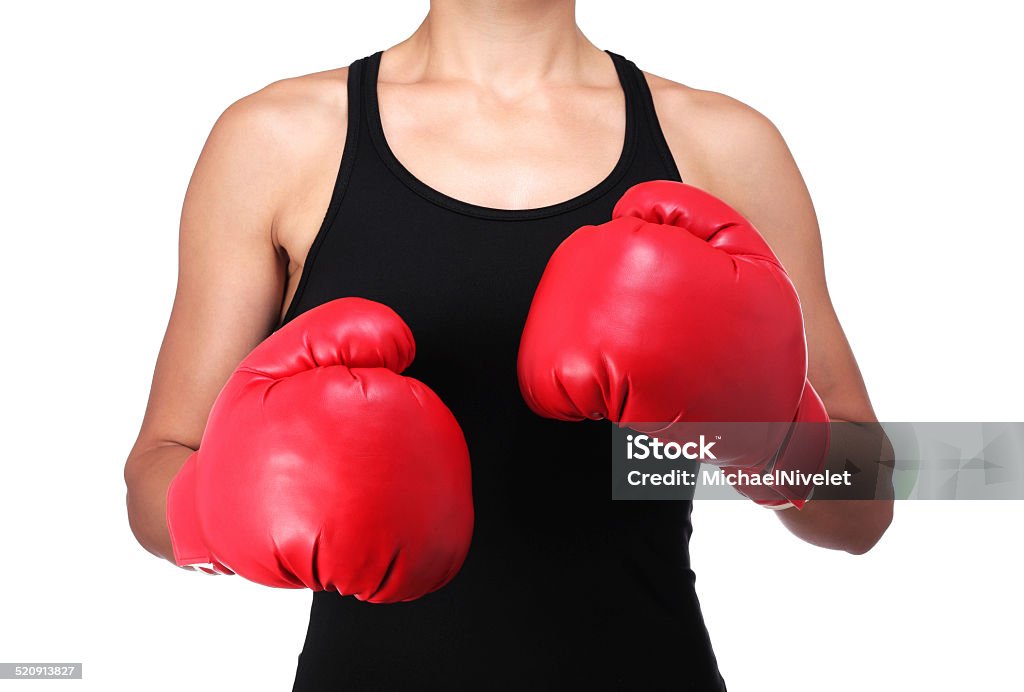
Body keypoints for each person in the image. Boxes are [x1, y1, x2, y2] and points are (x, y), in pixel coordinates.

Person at [124, 1, 893, 688]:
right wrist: (210, 508)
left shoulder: (722, 144)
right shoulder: (278, 138)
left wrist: (776, 437)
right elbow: (159, 465)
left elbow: (867, 503)